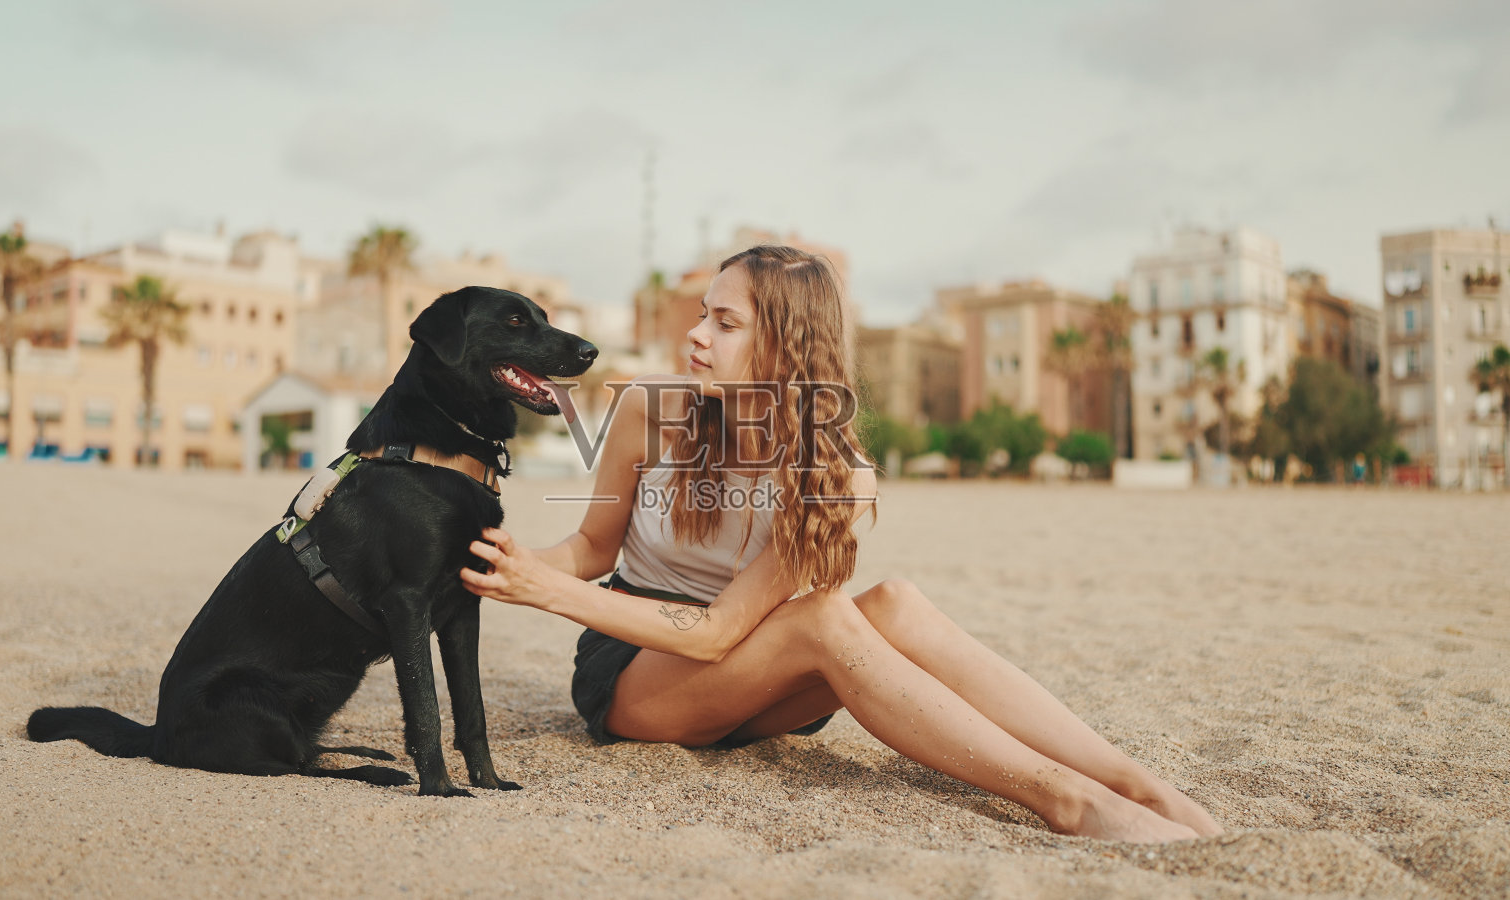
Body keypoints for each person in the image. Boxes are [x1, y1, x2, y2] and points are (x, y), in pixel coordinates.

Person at [460, 245, 1222, 844]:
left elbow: (724, 632)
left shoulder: (837, 472)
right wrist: (520, 567)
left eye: (725, 323)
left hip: (748, 665)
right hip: (636, 677)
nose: (696, 334)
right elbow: (594, 547)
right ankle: (1063, 799)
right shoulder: (649, 410)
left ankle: (1138, 786)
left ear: (784, 344)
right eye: (702, 315)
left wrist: (546, 590)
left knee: (896, 605)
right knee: (825, 616)